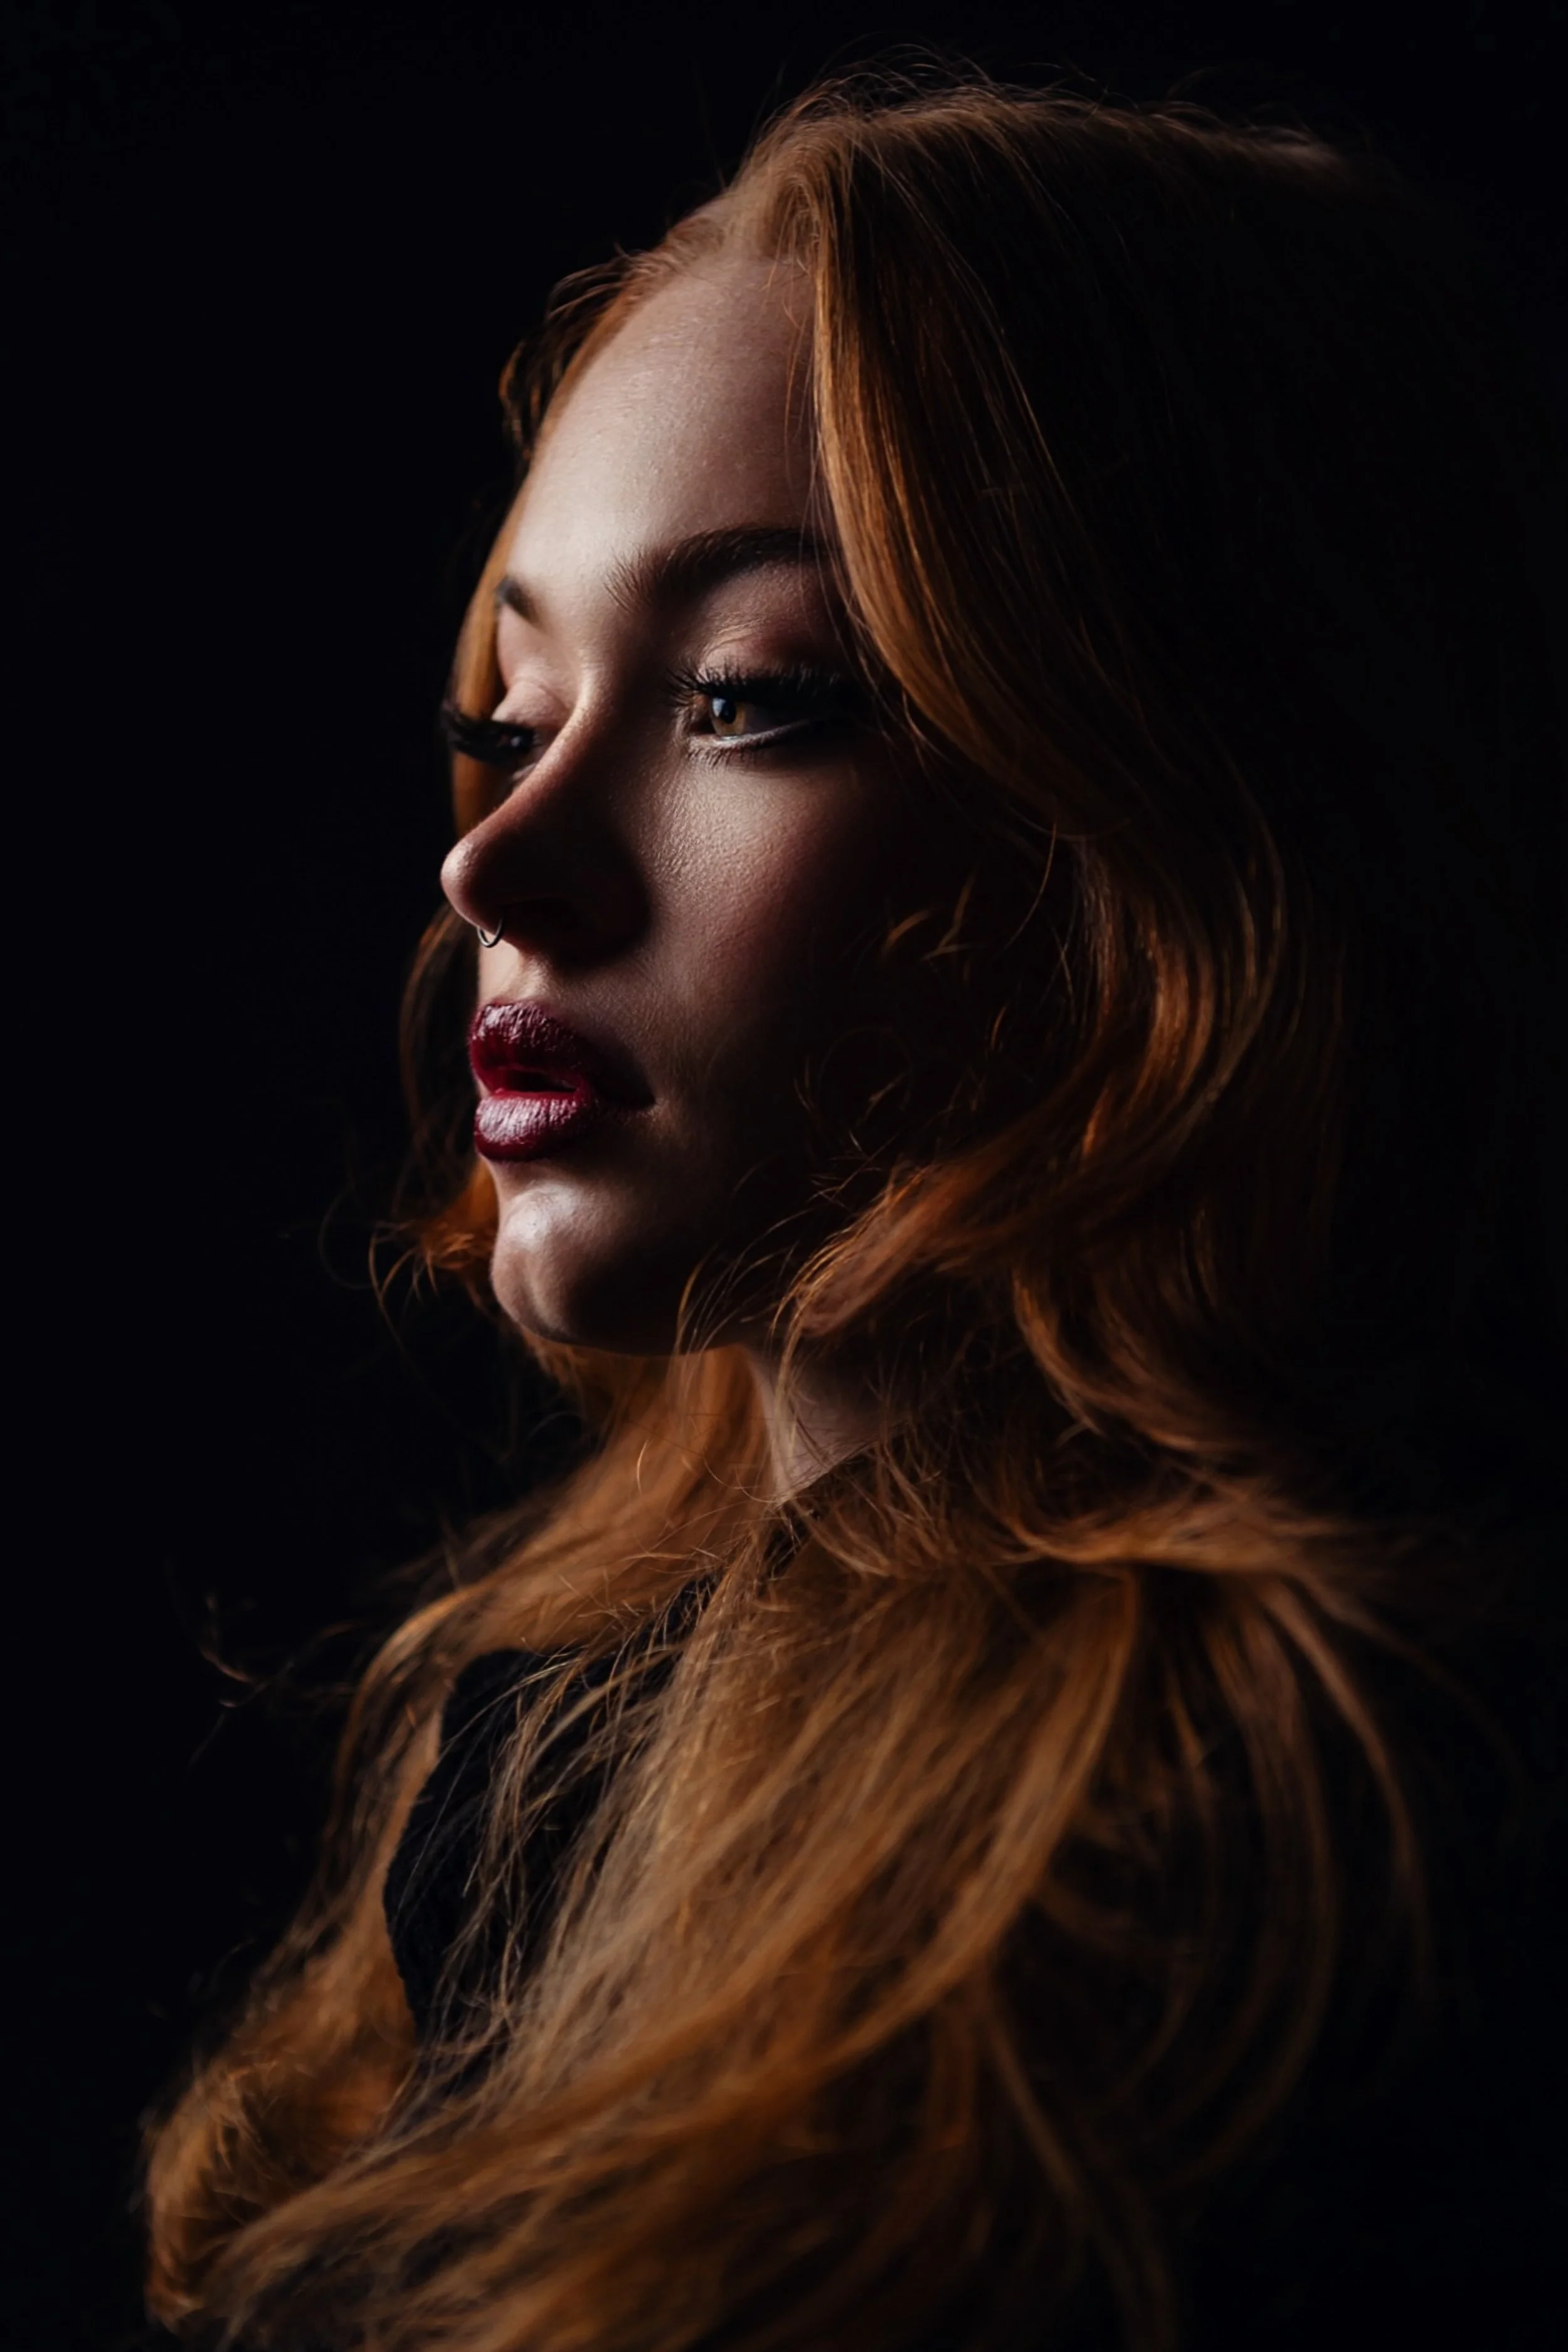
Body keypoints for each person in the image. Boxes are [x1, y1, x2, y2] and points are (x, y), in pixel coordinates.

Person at [144, 70, 1564, 2352]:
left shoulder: (1342, 1873)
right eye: (512, 712)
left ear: (1192, 807)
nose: (496, 863)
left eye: (747, 695)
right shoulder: (550, 1762)